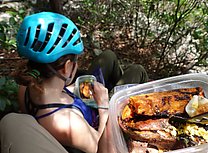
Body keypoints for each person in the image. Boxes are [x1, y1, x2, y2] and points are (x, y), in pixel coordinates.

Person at [0, 12, 149, 153]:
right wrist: (105, 106)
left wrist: (72, 90)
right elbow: (106, 149)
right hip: (99, 118)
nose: (77, 65)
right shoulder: (67, 124)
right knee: (137, 71)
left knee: (108, 56)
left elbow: (50, 95)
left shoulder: (26, 85)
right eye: (76, 61)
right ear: (67, 67)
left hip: (76, 102)